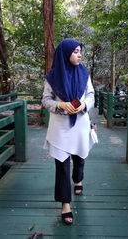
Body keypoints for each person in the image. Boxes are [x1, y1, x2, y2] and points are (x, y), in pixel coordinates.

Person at [42, 38, 95, 225]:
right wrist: (60, 104)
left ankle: (78, 179)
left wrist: (84, 105)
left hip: (80, 124)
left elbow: (91, 95)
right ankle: (65, 204)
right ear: (65, 54)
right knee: (62, 166)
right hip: (60, 127)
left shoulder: (84, 73)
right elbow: (46, 100)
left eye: (80, 51)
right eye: (75, 51)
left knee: (79, 157)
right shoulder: (52, 76)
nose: (80, 54)